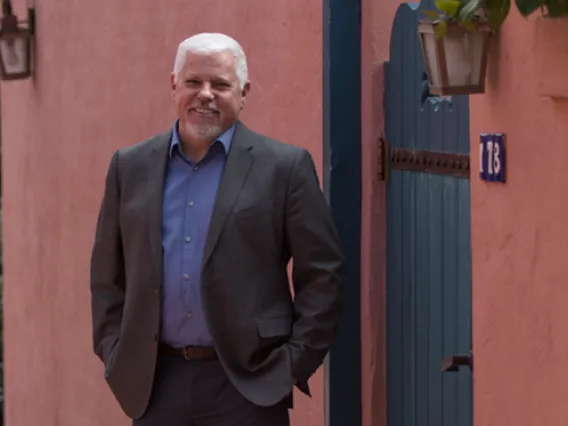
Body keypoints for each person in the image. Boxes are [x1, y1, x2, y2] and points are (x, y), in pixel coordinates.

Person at [90, 32, 345, 426]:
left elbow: (323, 274)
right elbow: (108, 276)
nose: (205, 94)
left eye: (221, 85)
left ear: (243, 93)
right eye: (193, 82)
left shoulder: (284, 168)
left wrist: (293, 364)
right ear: (174, 86)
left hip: (249, 385)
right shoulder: (129, 167)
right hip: (155, 385)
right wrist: (114, 350)